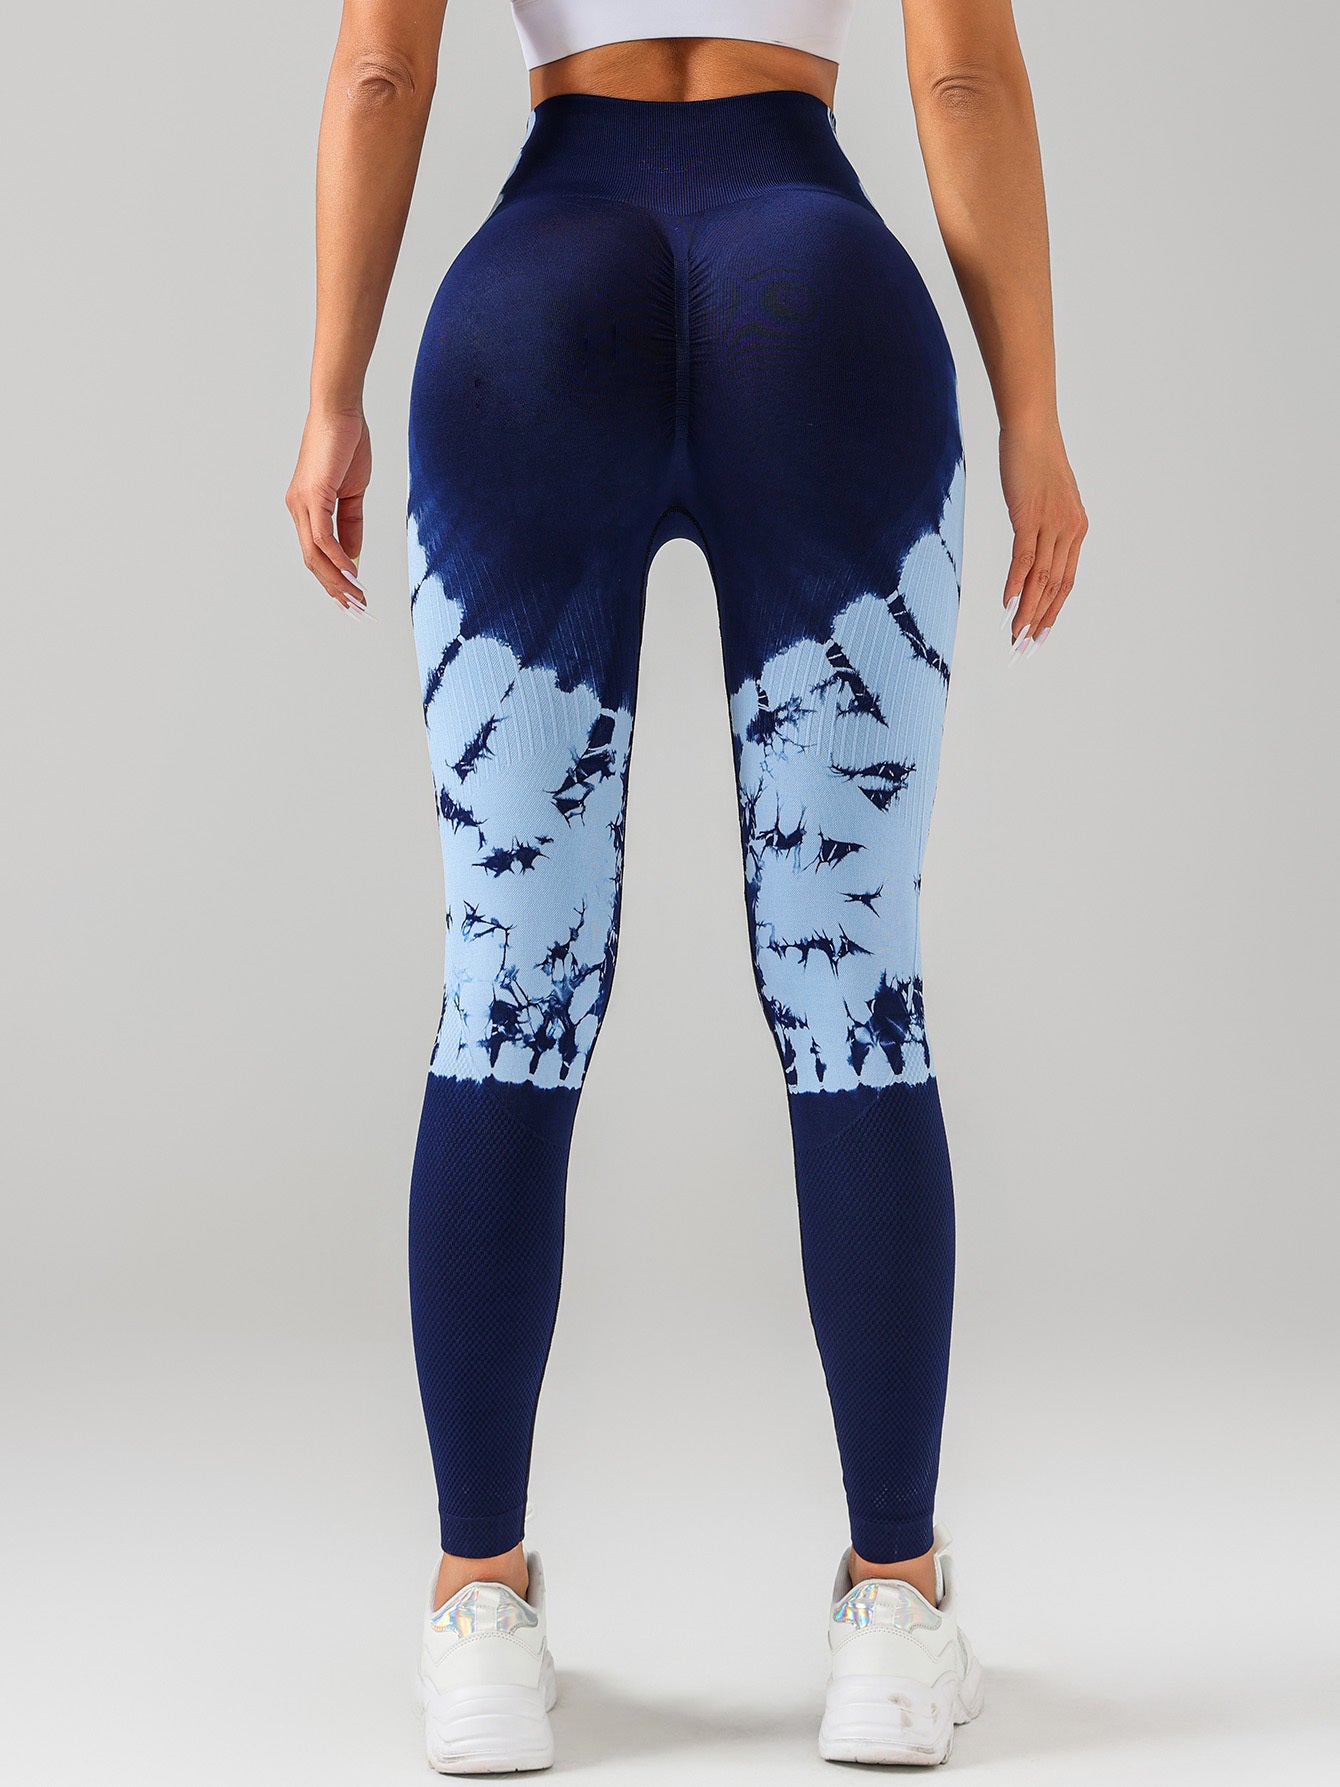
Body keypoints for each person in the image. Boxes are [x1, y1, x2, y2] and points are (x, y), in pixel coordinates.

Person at [286, 0, 1087, 1771]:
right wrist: (1033, 413)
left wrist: (334, 391)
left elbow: (380, 69)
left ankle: (479, 1612)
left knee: (509, 975)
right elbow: (962, 74)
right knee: (852, 977)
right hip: (818, 296)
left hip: (534, 305)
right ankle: (895, 1608)